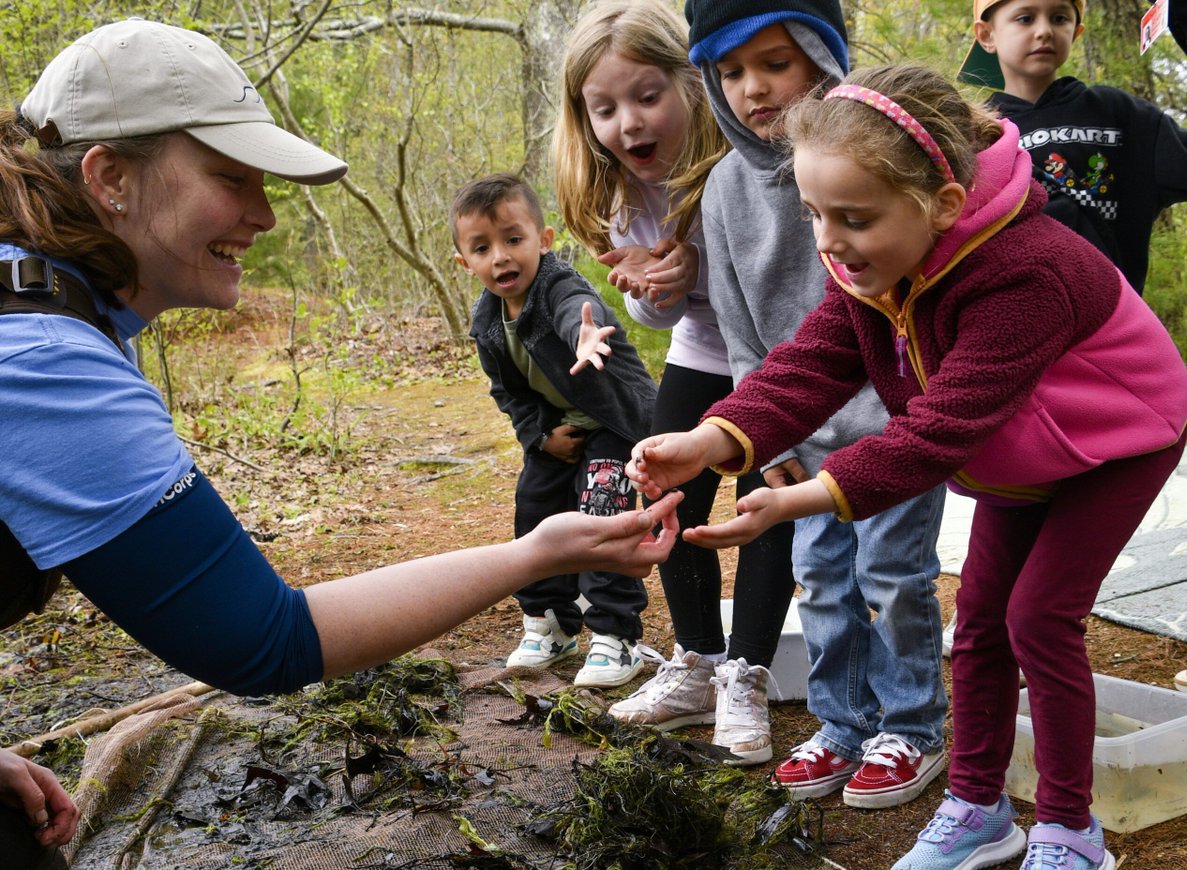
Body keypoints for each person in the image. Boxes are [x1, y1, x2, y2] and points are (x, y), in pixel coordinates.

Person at [0, 19, 682, 866]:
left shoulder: (55, 302)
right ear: (110, 179)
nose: (263, 215)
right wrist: (535, 554)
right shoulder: (42, 360)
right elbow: (264, 639)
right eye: (230, 177)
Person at [625, 62, 1187, 870]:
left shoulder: (1027, 271)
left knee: (1038, 619)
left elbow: (937, 432)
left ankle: (1071, 829)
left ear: (943, 204)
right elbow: (809, 366)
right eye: (815, 214)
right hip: (1026, 444)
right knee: (982, 625)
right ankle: (979, 807)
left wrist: (797, 502)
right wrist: (711, 440)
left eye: (853, 218)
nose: (827, 241)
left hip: (1117, 441)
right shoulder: (873, 263)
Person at [681, 0, 949, 801]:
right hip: (797, 436)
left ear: (823, 59)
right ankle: (843, 723)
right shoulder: (723, 191)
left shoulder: (870, 167)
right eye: (731, 72)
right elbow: (738, 329)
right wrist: (764, 438)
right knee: (823, 581)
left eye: (776, 63)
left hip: (893, 431)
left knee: (892, 577)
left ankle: (912, 727)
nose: (754, 88)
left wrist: (907, 410)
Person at [550, 0, 795, 766]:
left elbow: (778, 279)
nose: (629, 123)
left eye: (647, 96)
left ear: (694, 85)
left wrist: (701, 264)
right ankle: (696, 661)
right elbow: (656, 313)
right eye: (605, 109)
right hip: (702, 350)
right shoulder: (627, 192)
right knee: (664, 493)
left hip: (780, 358)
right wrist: (658, 289)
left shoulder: (750, 159)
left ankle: (745, 674)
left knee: (764, 504)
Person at [457, 173, 662, 689]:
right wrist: (539, 436)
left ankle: (616, 635)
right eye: (482, 248)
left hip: (616, 422)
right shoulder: (486, 322)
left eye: (513, 239)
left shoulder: (559, 285)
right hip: (557, 430)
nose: (501, 257)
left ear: (544, 240)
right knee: (534, 509)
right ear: (465, 263)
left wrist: (583, 335)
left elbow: (575, 310)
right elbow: (508, 392)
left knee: (603, 515)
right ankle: (550, 623)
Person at [959, 0, 1187, 295]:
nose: (1045, 31)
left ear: (1076, 32)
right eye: (1025, 18)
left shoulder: (1119, 115)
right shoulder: (977, 136)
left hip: (1115, 314)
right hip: (1016, 310)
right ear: (986, 35)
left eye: (1059, 18)